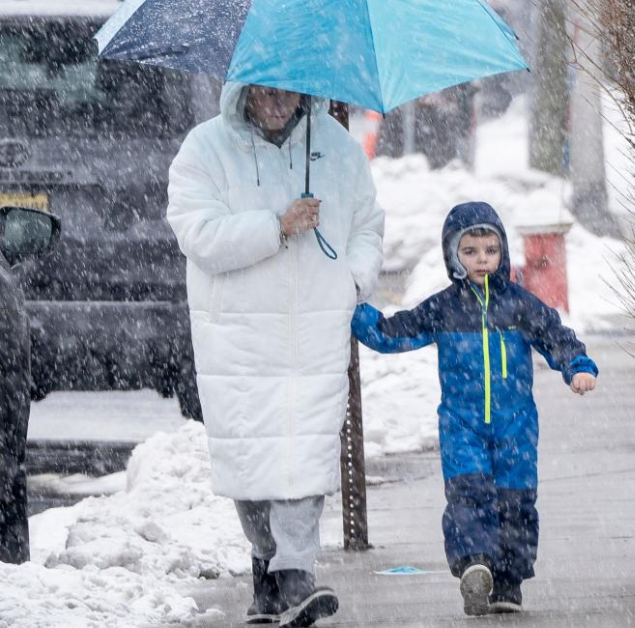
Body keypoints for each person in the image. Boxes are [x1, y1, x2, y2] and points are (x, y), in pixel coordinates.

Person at [166, 83, 384, 628]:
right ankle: (267, 566)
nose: (279, 103)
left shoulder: (335, 146)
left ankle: (295, 573)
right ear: (244, 93)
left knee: (304, 452)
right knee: (252, 464)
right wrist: (275, 226)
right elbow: (198, 234)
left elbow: (368, 224)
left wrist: (351, 281)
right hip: (237, 338)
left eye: (289, 93)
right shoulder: (204, 149)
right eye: (266, 92)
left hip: (313, 329)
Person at [352, 201, 598, 616]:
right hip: (461, 424)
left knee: (516, 501)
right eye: (470, 252)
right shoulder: (444, 307)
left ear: (502, 254)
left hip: (515, 425)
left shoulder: (520, 305)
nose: (481, 260)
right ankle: (475, 566)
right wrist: (354, 311)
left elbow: (557, 337)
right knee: (469, 497)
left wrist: (578, 367)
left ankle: (508, 582)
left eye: (490, 250)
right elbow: (394, 333)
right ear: (453, 255)